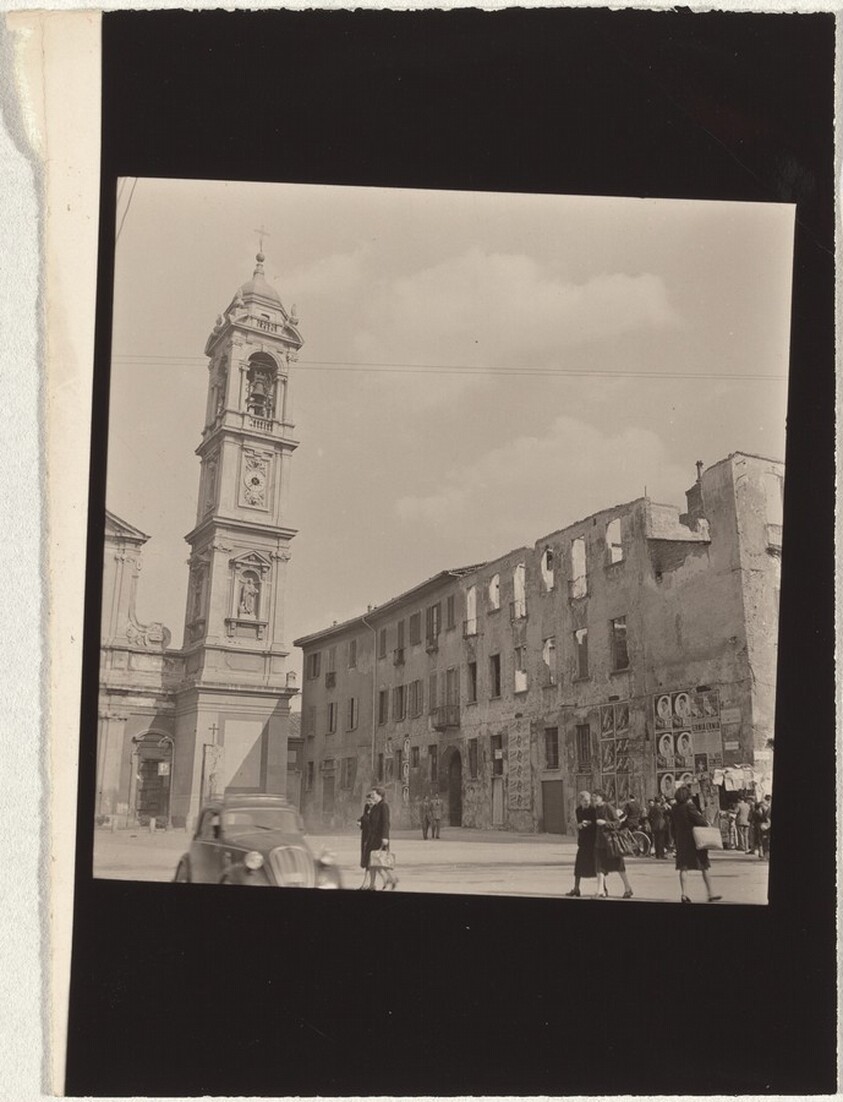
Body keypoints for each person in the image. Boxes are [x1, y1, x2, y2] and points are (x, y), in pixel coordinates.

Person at [671, 785, 721, 902]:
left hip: (681, 841)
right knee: (704, 866)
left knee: (683, 868)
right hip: (695, 841)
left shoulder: (675, 808)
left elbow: (673, 826)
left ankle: (684, 894)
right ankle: (710, 893)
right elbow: (701, 821)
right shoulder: (690, 806)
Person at [592, 789, 634, 899]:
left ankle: (628, 888)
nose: (594, 798)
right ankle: (600, 890)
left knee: (619, 866)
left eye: (596, 796)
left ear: (602, 797)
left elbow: (617, 823)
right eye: (593, 796)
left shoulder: (608, 807)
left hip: (610, 842)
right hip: (599, 842)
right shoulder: (596, 808)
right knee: (599, 867)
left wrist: (605, 823)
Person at [358, 787, 397, 890]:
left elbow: (386, 823)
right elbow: (369, 821)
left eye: (374, 794)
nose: (372, 796)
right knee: (372, 863)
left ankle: (390, 879)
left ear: (380, 795)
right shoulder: (374, 807)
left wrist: (385, 837)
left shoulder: (384, 806)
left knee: (379, 862)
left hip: (380, 838)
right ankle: (373, 885)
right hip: (372, 838)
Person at [566, 791, 597, 896]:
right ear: (580, 801)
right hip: (583, 841)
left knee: (597, 866)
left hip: (592, 841)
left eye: (588, 800)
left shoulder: (593, 810)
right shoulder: (578, 810)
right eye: (584, 801)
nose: (587, 802)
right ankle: (576, 888)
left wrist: (589, 823)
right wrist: (579, 825)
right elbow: (579, 823)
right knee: (579, 865)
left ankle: (603, 888)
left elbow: (596, 824)